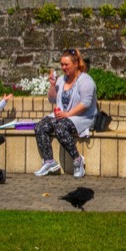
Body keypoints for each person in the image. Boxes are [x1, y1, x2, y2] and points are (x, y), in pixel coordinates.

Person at [34, 48, 98, 178]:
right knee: (40, 126)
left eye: (66, 64)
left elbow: (85, 104)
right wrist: (52, 85)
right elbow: (52, 99)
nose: (63, 67)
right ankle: (49, 161)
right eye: (62, 64)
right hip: (63, 115)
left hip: (82, 117)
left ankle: (77, 160)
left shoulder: (86, 80)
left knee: (60, 128)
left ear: (75, 64)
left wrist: (67, 115)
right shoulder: (61, 80)